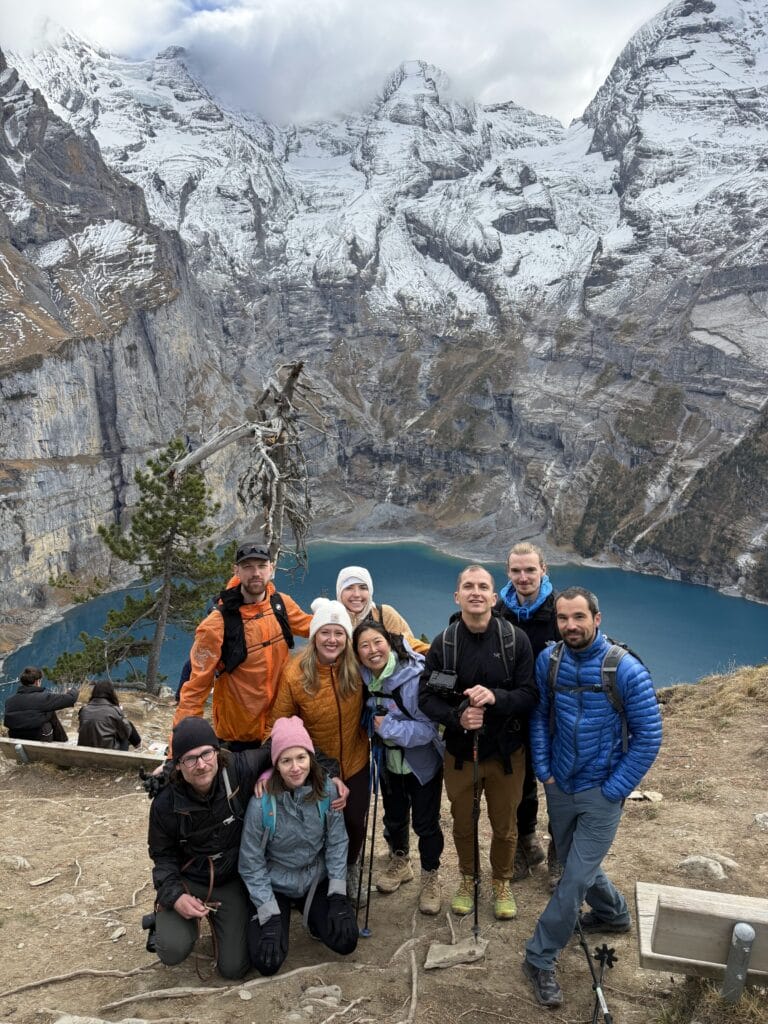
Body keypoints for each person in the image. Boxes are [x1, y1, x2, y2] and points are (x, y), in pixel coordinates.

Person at [522, 587, 662, 1008]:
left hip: (602, 791)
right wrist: (544, 771)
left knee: (573, 877)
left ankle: (539, 956)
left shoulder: (625, 670)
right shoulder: (550, 662)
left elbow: (648, 737)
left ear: (597, 619)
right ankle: (614, 915)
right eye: (563, 618)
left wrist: (615, 789)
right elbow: (540, 718)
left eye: (579, 617)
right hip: (561, 785)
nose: (570, 626)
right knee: (576, 863)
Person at [418, 566, 537, 921]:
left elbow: (530, 694)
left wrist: (496, 698)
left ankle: (501, 881)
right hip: (460, 755)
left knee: (505, 824)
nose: (475, 593)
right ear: (457, 596)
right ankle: (468, 879)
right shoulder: (445, 644)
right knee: (463, 822)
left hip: (505, 755)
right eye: (468, 587)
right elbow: (426, 697)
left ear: (494, 596)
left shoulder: (515, 641)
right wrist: (458, 716)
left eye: (483, 587)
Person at [147, 716, 272, 978]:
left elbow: (288, 747)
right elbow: (163, 856)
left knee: (234, 968)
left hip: (229, 879)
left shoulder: (240, 768)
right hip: (187, 880)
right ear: (177, 765)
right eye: (190, 759)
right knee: (171, 950)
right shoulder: (165, 804)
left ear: (217, 751)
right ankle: (174, 918)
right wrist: (176, 896)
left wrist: (330, 778)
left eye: (206, 753)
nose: (201, 765)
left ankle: (224, 917)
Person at [267, 598, 370, 902]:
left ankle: (350, 868)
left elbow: (386, 661)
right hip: (314, 764)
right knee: (318, 825)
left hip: (356, 759)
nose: (332, 640)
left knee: (354, 820)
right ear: (314, 635)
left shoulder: (356, 665)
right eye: (325, 632)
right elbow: (280, 726)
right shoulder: (295, 673)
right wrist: (320, 771)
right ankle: (320, 875)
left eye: (339, 633)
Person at [239, 716, 358, 975]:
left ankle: (316, 919)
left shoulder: (328, 792)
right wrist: (268, 914)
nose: (295, 767)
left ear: (311, 758)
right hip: (276, 883)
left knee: (347, 940)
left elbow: (337, 843)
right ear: (276, 765)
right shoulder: (262, 804)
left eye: (301, 758)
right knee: (266, 962)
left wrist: (337, 894)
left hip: (315, 878)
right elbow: (251, 863)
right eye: (286, 760)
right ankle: (274, 915)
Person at [172, 540, 312, 750]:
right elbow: (194, 691)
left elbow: (318, 630)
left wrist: (357, 623)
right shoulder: (217, 624)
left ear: (271, 568)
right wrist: (176, 754)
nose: (255, 573)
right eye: (248, 567)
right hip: (237, 738)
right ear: (236, 570)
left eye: (262, 566)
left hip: (277, 731)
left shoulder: (281, 605)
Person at [353, 621, 445, 915]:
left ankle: (431, 875)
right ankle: (400, 861)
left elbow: (430, 730)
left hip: (421, 765)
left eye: (377, 642)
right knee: (393, 818)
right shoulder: (363, 678)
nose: (372, 650)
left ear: (389, 642)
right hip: (388, 763)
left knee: (425, 823)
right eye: (364, 646)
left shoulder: (413, 678)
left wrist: (388, 728)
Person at [495, 542, 561, 882]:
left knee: (559, 785)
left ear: (543, 570)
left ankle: (558, 856)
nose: (523, 577)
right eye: (516, 570)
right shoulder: (498, 612)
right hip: (514, 713)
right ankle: (526, 842)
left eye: (530, 570)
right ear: (508, 573)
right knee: (519, 783)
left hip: (556, 716)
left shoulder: (560, 613)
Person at [336, 566, 429, 654]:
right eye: (349, 588)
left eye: (363, 588)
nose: (356, 594)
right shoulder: (332, 619)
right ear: (340, 591)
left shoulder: (384, 614)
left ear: (370, 591)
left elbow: (408, 644)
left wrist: (436, 654)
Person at [3, 666, 78, 742]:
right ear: (37, 682)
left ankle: (63, 740)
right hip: (39, 740)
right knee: (49, 711)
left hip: (17, 741)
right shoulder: (43, 698)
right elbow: (71, 698)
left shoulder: (9, 701)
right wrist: (72, 689)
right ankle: (63, 741)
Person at [78, 680, 142, 750]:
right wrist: (121, 713)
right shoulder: (114, 711)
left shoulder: (84, 710)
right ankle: (138, 746)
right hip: (107, 755)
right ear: (111, 693)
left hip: (85, 752)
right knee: (126, 728)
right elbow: (125, 732)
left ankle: (138, 745)